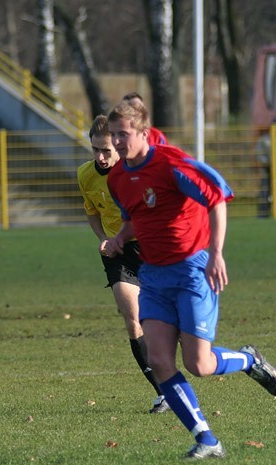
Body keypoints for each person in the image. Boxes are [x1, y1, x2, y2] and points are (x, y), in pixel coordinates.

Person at [104, 100, 276, 460]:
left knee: (199, 364)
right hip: (153, 275)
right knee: (159, 358)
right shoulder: (119, 178)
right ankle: (207, 439)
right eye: (114, 136)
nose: (118, 143)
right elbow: (138, 215)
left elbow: (217, 198)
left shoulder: (171, 163)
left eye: (124, 135)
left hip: (191, 269)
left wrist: (216, 253)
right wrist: (121, 237)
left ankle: (249, 360)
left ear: (142, 132)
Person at [77, 114, 168, 414]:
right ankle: (163, 392)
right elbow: (92, 211)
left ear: (118, 145)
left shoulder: (134, 173)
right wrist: (104, 237)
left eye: (106, 150)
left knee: (162, 319)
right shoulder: (85, 175)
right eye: (95, 150)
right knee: (133, 319)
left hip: (148, 246)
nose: (100, 157)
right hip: (117, 252)